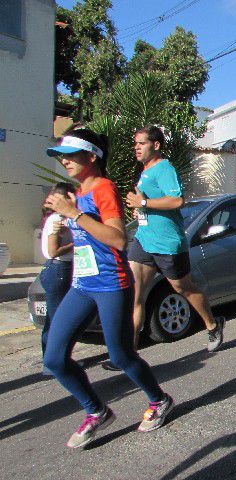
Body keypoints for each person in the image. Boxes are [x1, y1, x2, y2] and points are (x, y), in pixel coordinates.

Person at [43, 128, 173, 449]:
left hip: (111, 284)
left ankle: (159, 400)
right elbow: (84, 240)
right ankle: (96, 411)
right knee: (54, 358)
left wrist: (74, 214)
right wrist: (63, 220)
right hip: (82, 284)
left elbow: (117, 239)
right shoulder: (77, 194)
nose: (64, 161)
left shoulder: (104, 189)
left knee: (121, 355)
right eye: (61, 155)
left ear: (91, 156)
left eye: (71, 154)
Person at [103, 126, 225, 371]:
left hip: (168, 243)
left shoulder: (165, 168)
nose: (136, 147)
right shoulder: (145, 171)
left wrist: (143, 202)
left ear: (156, 145)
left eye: (141, 143)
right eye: (135, 143)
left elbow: (177, 200)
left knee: (183, 288)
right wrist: (137, 206)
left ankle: (213, 324)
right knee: (135, 296)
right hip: (144, 240)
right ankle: (128, 354)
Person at [39, 182, 76, 374]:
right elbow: (53, 251)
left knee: (56, 318)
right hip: (59, 269)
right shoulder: (58, 219)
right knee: (56, 319)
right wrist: (75, 244)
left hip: (59, 270)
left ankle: (57, 360)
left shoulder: (57, 217)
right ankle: (51, 363)